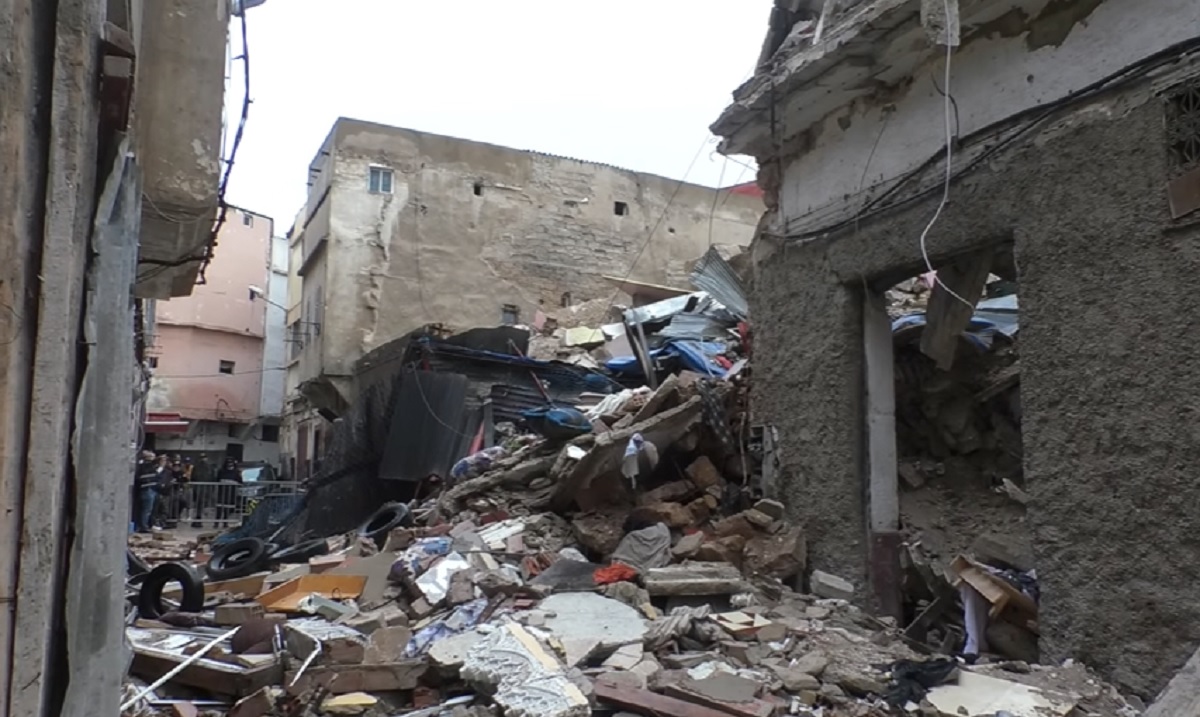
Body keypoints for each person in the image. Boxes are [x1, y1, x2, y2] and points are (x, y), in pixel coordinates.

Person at [133, 451, 160, 533]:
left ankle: (147, 525)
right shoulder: (146, 467)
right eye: (152, 457)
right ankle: (143, 526)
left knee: (149, 510)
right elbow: (152, 476)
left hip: (150, 490)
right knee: (146, 510)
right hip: (147, 490)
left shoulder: (146, 467)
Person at [215, 457, 242, 526]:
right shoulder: (221, 471)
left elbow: (240, 482)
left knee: (227, 508)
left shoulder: (236, 472)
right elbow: (217, 480)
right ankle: (216, 523)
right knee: (219, 508)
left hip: (231, 493)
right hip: (222, 492)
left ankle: (225, 523)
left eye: (231, 463)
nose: (229, 465)